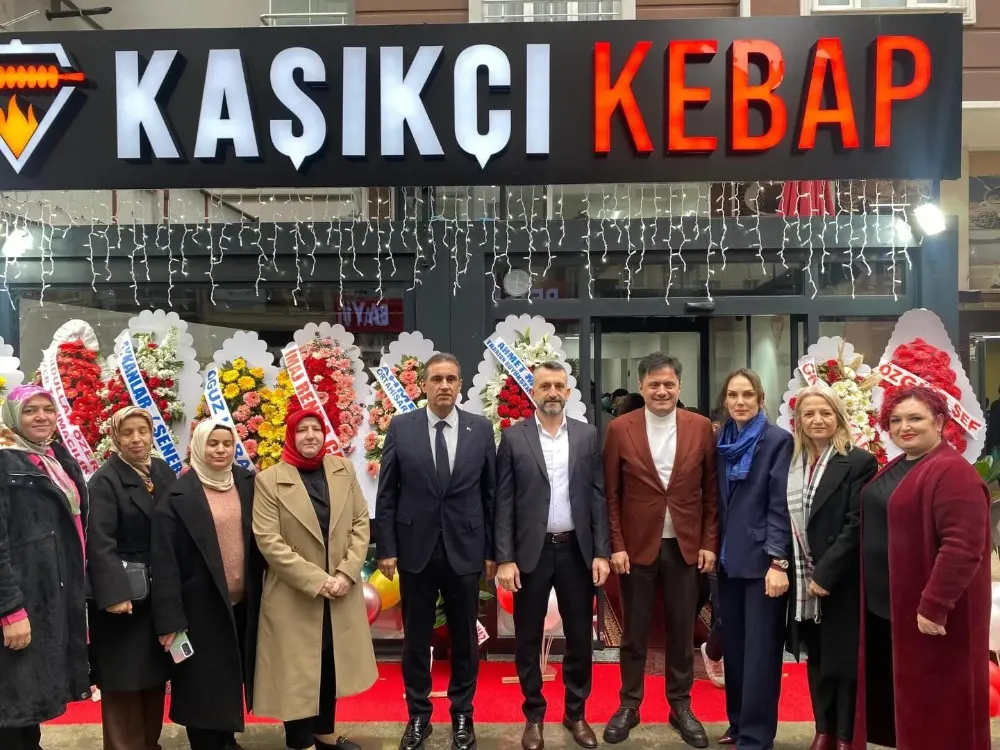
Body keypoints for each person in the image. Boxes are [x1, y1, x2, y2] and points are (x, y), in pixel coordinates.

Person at [854, 386, 992, 750]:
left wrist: (934, 605)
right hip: (890, 610)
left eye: (915, 418)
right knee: (914, 708)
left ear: (940, 422)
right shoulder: (903, 463)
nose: (904, 427)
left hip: (930, 616)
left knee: (940, 709)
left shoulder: (953, 472)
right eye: (896, 420)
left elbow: (962, 546)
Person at [375, 353, 496, 750]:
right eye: (437, 379)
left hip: (466, 550)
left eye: (451, 379)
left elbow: (490, 494)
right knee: (415, 639)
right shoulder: (402, 427)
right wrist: (387, 548)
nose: (444, 385)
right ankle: (418, 716)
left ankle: (463, 714)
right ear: (424, 385)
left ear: (460, 385)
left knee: (465, 638)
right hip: (416, 551)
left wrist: (492, 550)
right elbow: (387, 493)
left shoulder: (480, 429)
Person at [602, 352, 719, 748]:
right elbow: (611, 495)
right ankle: (629, 704)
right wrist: (616, 545)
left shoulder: (700, 427)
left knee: (682, 631)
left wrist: (708, 542)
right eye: (654, 384)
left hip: (685, 546)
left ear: (679, 386)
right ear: (641, 387)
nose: (662, 391)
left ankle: (680, 704)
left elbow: (711, 493)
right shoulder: (620, 429)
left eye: (669, 384)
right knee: (634, 631)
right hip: (636, 548)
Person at [494, 361, 611, 750]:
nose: (553, 393)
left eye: (559, 386)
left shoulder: (587, 436)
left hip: (577, 550)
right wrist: (505, 557)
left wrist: (601, 552)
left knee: (579, 637)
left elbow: (598, 496)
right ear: (533, 392)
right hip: (531, 553)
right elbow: (503, 501)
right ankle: (534, 716)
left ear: (568, 391)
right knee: (527, 638)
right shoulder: (514, 438)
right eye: (545, 386)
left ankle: (576, 713)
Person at [253, 409, 377, 750]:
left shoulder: (343, 470)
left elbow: (360, 523)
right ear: (290, 436)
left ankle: (325, 732)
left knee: (329, 660)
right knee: (297, 669)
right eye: (302, 430)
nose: (310, 435)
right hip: (295, 592)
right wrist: (318, 580)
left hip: (340, 589)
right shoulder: (269, 480)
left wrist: (346, 573)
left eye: (316, 429)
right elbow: (269, 541)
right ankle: (300, 741)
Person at [151, 420, 262, 750]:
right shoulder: (177, 495)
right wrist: (169, 620)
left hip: (242, 604)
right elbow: (165, 563)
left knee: (230, 677)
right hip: (198, 608)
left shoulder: (246, 483)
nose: (220, 450)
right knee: (202, 683)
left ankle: (226, 740)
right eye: (213, 443)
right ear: (198, 446)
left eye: (227, 443)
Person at [782, 387, 877, 750]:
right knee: (817, 657)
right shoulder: (792, 463)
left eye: (825, 413)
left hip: (840, 577)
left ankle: (845, 735)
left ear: (838, 417)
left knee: (844, 660)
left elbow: (857, 523)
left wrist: (825, 573)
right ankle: (823, 729)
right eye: (809, 414)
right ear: (799, 421)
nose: (817, 420)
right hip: (802, 578)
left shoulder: (858, 461)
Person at [0, 385, 91, 750]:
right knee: (12, 703)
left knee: (30, 700)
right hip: (22, 601)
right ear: (13, 417)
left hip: (50, 597)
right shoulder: (5, 463)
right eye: (30, 410)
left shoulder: (56, 458)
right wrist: (10, 610)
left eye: (47, 409)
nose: (41, 417)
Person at [87, 406, 176, 750]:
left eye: (143, 431)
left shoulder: (162, 471)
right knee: (124, 682)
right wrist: (115, 593)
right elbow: (99, 543)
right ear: (115, 438)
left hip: (158, 595)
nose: (136, 439)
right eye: (127, 433)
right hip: (124, 599)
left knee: (153, 679)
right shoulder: (105, 480)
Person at [714, 368, 792, 750]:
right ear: (725, 400)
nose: (740, 401)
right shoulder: (721, 440)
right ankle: (738, 723)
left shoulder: (777, 440)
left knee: (761, 653)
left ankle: (757, 736)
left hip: (763, 562)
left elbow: (780, 504)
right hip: (728, 560)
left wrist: (778, 561)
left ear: (760, 399)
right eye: (733, 395)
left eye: (747, 394)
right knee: (735, 648)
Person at [700, 409, 727, 690]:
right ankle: (713, 652)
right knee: (723, 613)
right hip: (710, 541)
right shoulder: (705, 457)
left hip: (743, 542)